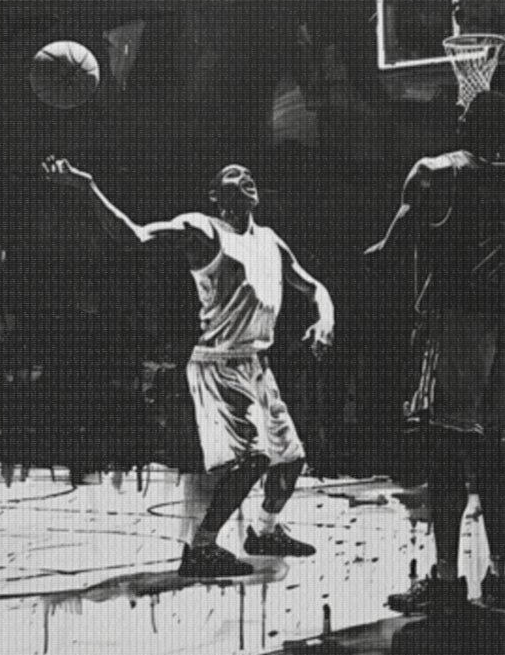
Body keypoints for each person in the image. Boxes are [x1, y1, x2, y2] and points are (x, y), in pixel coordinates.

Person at [42, 157, 334, 576]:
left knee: (290, 460)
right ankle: (200, 548)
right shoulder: (203, 229)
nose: (244, 177)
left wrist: (325, 320)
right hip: (219, 365)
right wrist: (87, 187)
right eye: (231, 176)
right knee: (252, 460)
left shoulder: (270, 240)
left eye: (248, 175)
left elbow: (314, 287)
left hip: (257, 365)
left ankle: (265, 531)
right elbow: (134, 236)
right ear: (216, 196)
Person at [365, 89, 505, 610]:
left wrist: (376, 252)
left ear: (466, 125)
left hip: (456, 325)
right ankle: (499, 575)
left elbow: (390, 249)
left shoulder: (433, 172)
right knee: (497, 454)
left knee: (446, 452)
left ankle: (444, 580)